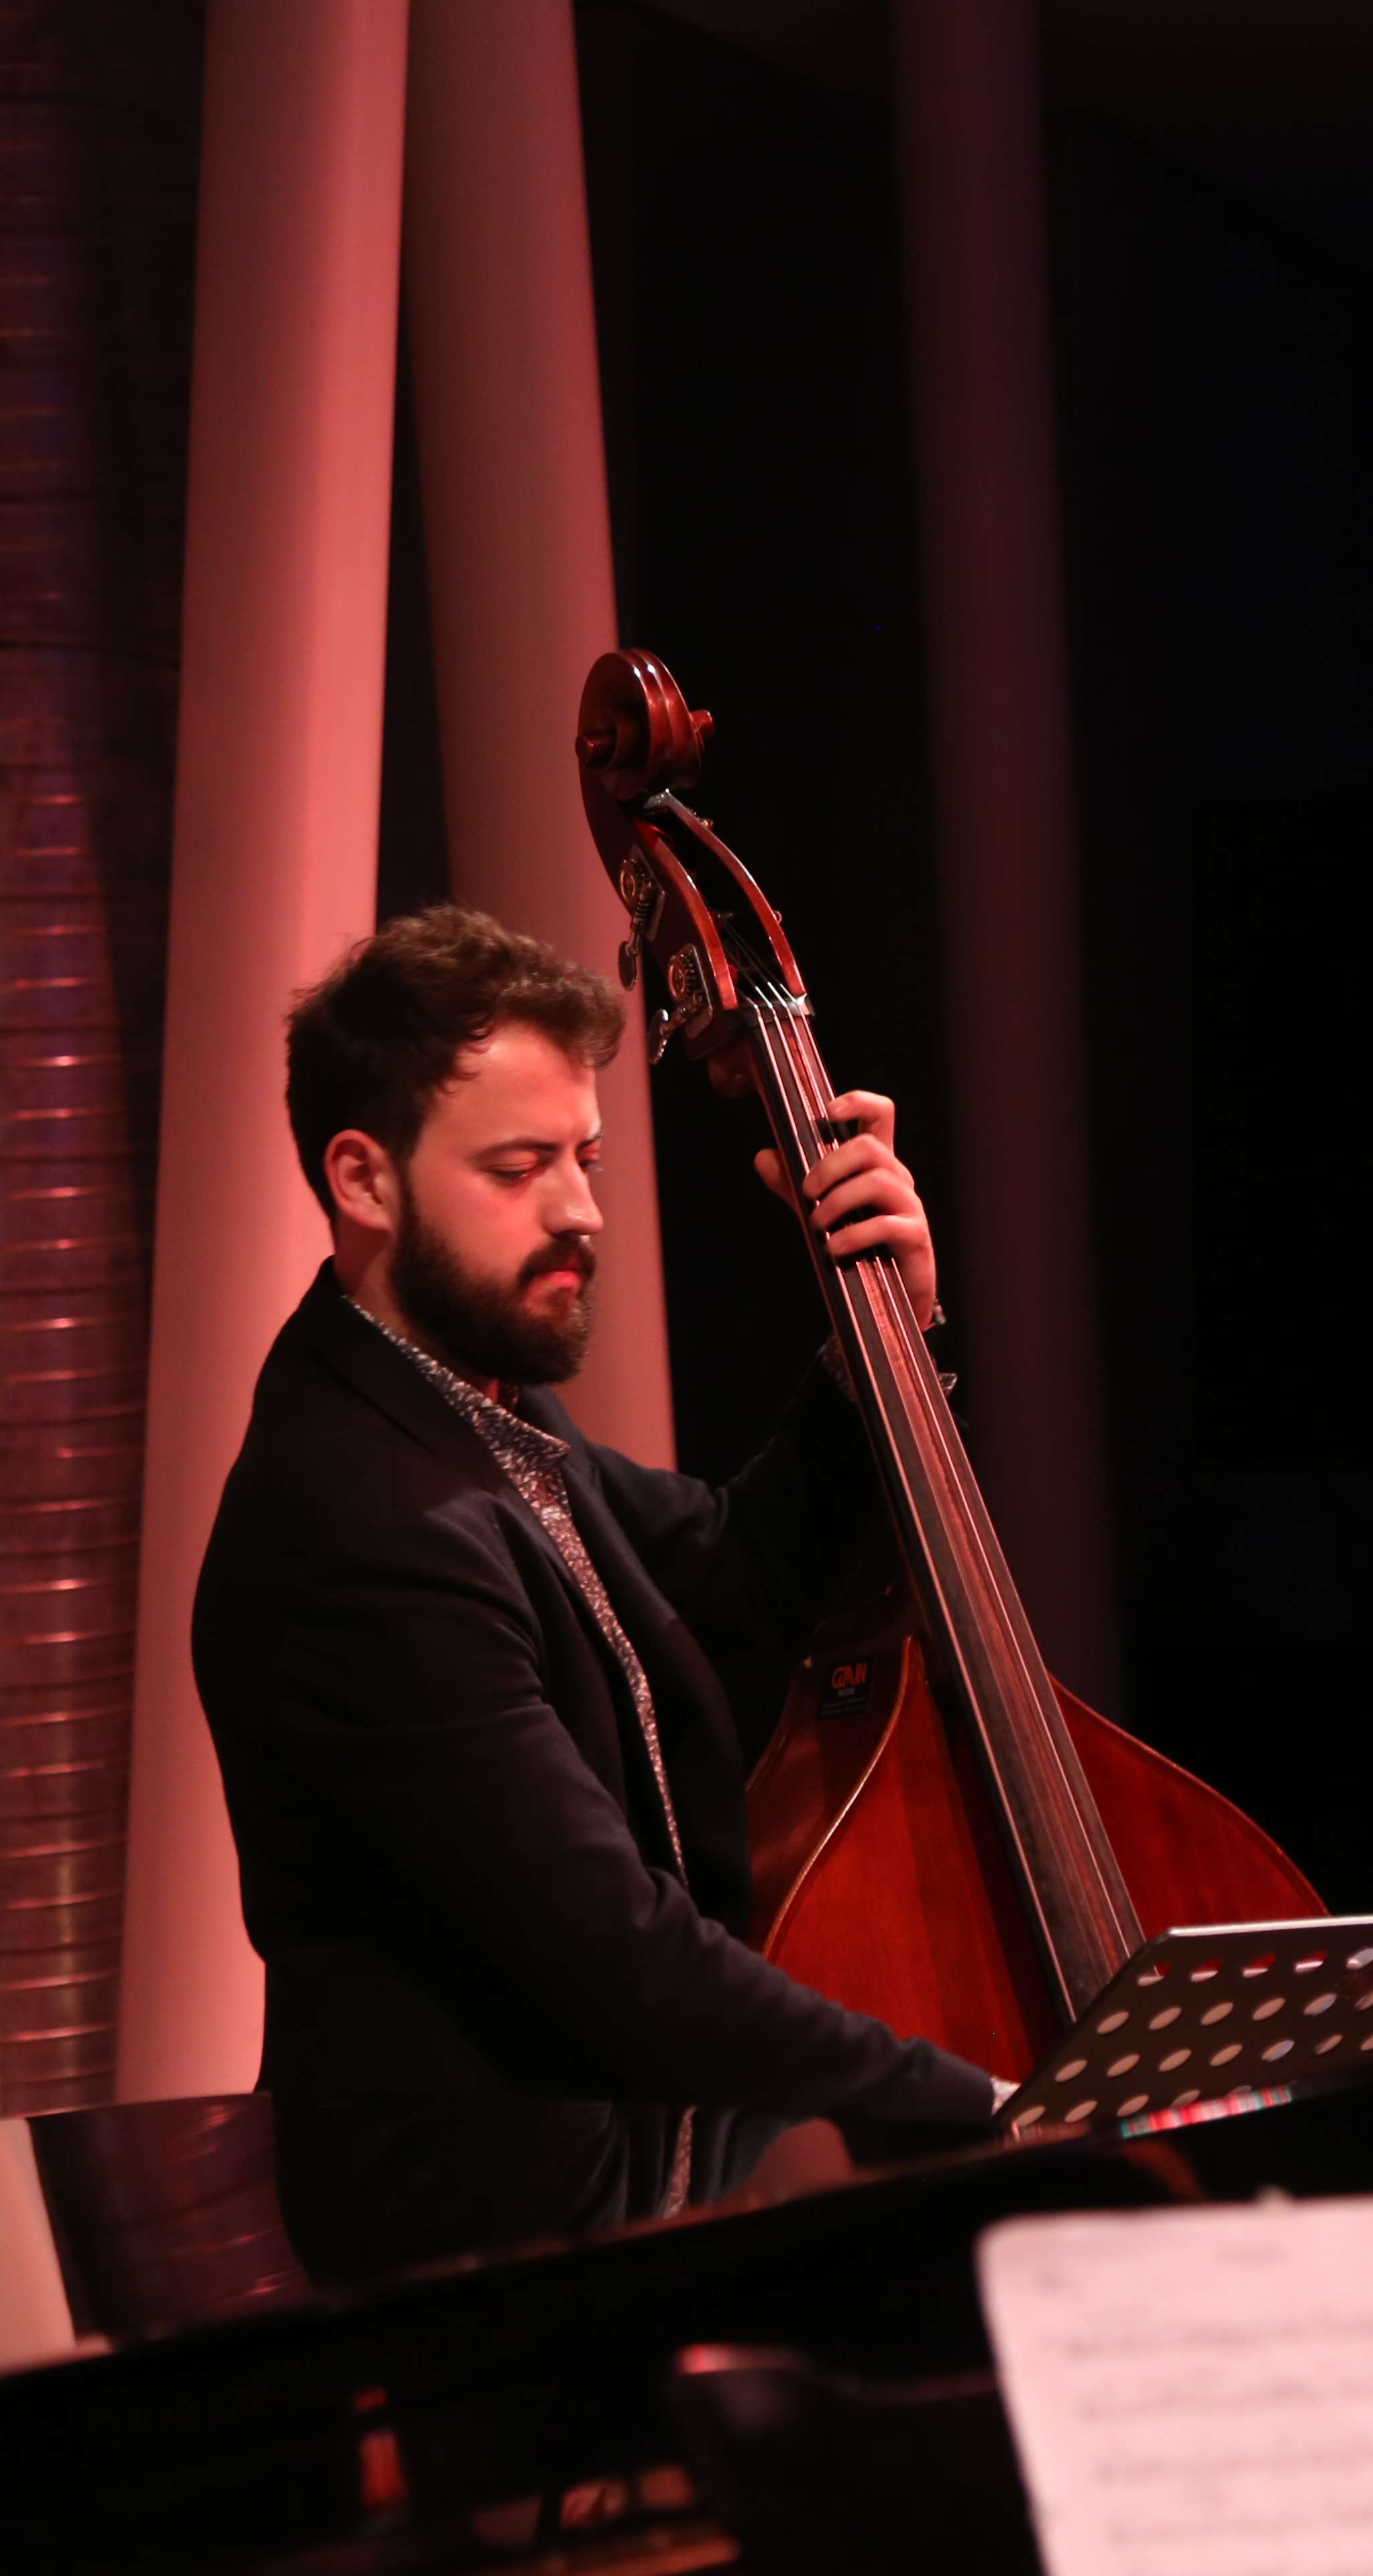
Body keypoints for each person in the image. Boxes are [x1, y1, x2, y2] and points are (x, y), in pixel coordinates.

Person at [190, 906, 995, 2277]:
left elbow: (725, 1585)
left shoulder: (475, 1418)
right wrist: (991, 2108)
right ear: (364, 1179)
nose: (579, 1211)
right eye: (519, 1169)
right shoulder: (365, 1525)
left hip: (606, 2222)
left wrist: (890, 1332)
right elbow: (630, 1961)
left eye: (586, 1158)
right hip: (477, 2281)